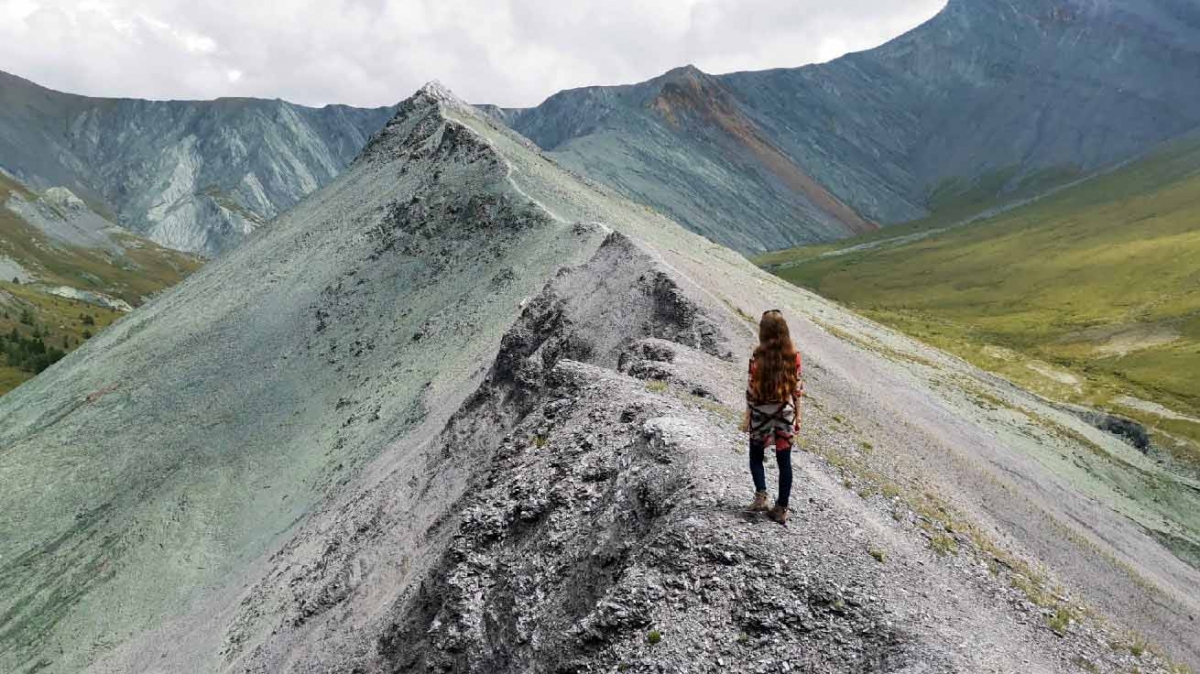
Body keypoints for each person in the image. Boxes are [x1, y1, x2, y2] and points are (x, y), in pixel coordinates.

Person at [741, 310, 803, 525]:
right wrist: (798, 416)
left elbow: (751, 390)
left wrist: (747, 416)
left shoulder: (758, 356)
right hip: (785, 415)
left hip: (761, 414)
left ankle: (761, 497)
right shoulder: (793, 355)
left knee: (756, 456)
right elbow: (797, 389)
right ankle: (781, 508)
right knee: (784, 462)